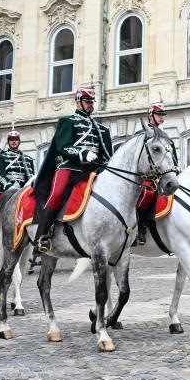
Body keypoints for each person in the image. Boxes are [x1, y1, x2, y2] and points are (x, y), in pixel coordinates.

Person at [32, 87, 112, 254]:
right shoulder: (68, 121)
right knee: (57, 193)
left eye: (92, 102)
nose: (90, 105)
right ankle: (42, 236)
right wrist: (83, 153)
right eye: (87, 101)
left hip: (94, 168)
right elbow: (63, 146)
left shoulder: (101, 129)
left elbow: (106, 154)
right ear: (78, 102)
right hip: (70, 166)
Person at [134, 103, 171, 246]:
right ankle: (139, 227)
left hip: (163, 174)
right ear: (151, 115)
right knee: (147, 194)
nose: (162, 118)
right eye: (159, 115)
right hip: (145, 175)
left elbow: (169, 155)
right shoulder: (142, 134)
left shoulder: (163, 135)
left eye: (163, 115)